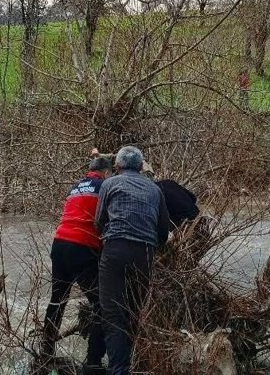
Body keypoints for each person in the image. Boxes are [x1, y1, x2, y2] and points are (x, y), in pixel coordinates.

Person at [95, 146, 169, 375]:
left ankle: (119, 369)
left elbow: (99, 221)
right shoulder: (155, 190)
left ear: (116, 166)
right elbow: (163, 232)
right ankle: (138, 359)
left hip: (115, 250)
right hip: (144, 254)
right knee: (135, 309)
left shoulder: (109, 184)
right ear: (141, 166)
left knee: (113, 313)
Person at [40, 156, 111, 374]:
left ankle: (46, 351)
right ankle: (93, 363)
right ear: (106, 172)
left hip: (60, 244)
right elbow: (107, 219)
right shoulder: (105, 186)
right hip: (82, 247)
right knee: (100, 305)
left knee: (57, 299)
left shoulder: (76, 187)